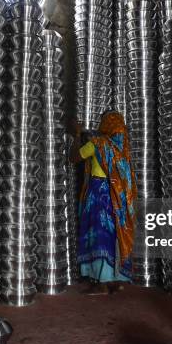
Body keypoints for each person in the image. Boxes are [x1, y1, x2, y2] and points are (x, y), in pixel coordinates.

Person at [70, 111, 137, 295]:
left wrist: (77, 135)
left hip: (99, 196)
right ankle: (115, 280)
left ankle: (101, 283)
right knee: (112, 236)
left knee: (98, 236)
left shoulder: (98, 145)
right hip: (117, 200)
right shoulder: (122, 149)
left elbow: (74, 157)